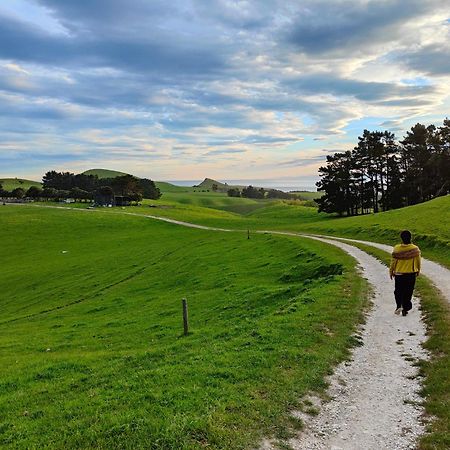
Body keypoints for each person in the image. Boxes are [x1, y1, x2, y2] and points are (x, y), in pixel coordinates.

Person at [389, 230, 421, 316]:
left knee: (398, 291)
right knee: (408, 291)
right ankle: (406, 308)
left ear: (401, 238)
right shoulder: (415, 249)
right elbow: (418, 261)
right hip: (411, 273)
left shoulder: (397, 248)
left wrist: (391, 271)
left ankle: (399, 305)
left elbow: (393, 262)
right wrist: (418, 270)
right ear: (411, 238)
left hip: (399, 273)